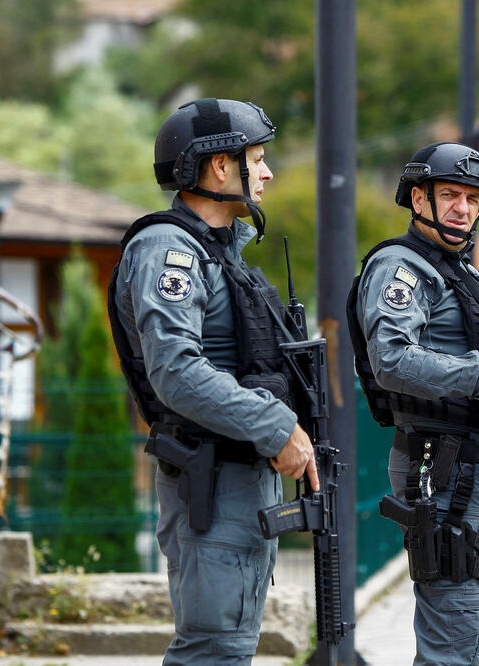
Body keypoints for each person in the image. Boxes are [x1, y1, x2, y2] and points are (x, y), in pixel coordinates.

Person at [107, 97, 318, 665]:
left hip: (239, 479)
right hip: (210, 480)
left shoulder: (221, 255)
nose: (268, 172)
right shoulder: (168, 251)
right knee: (212, 652)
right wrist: (278, 428)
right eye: (258, 157)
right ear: (221, 167)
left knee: (229, 648)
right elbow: (175, 371)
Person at [349, 142, 479, 665]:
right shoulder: (401, 267)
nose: (463, 208)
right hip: (439, 469)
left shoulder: (459, 271)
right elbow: (391, 358)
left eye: (473, 199)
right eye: (450, 195)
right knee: (452, 647)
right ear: (419, 198)